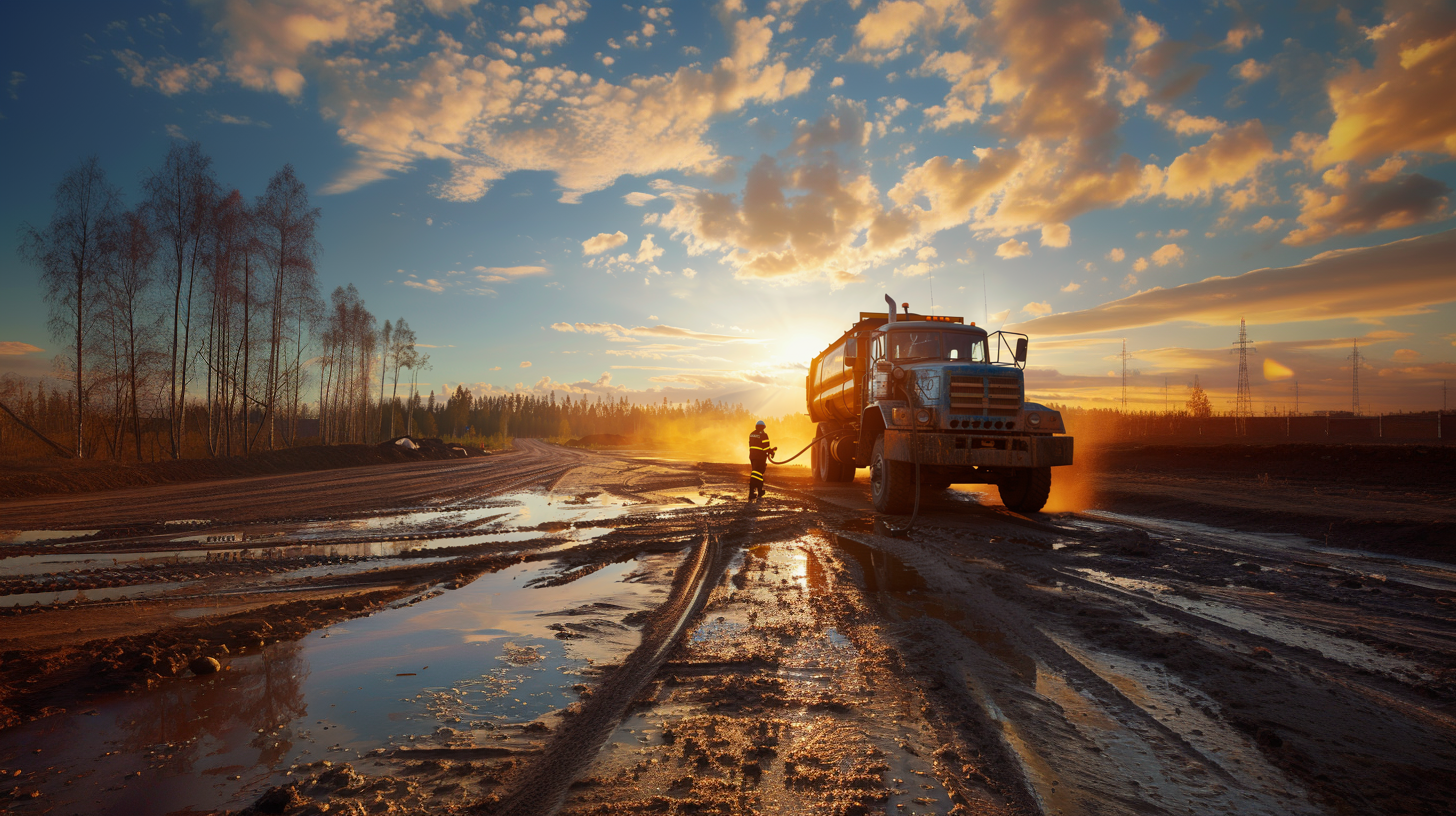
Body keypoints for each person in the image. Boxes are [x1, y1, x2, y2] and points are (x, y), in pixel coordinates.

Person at [748, 420, 776, 501]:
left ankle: (759, 491)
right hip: (760, 457)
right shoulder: (764, 435)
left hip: (752, 456)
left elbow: (753, 445)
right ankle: (753, 492)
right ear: (764, 427)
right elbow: (765, 448)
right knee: (757, 474)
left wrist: (770, 450)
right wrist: (771, 451)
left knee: (756, 474)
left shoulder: (752, 434)